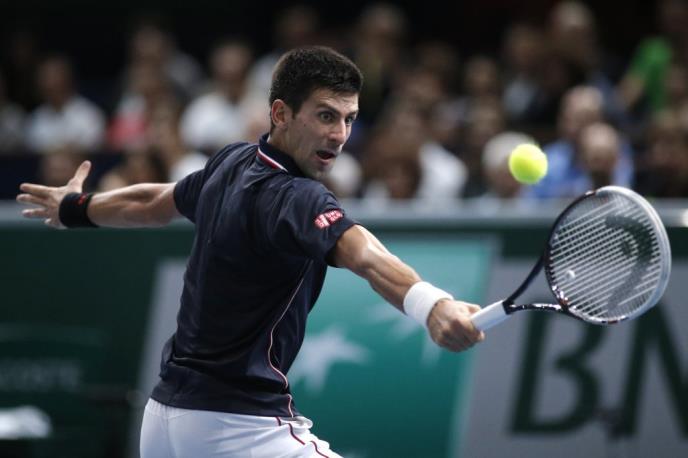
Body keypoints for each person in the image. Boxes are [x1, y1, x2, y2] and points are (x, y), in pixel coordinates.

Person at [16, 46, 484, 458]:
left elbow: (155, 202)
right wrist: (431, 304)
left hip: (163, 422)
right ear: (280, 113)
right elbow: (363, 253)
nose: (340, 134)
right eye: (325, 116)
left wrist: (76, 208)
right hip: (238, 427)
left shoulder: (231, 161)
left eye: (349, 119)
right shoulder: (300, 196)